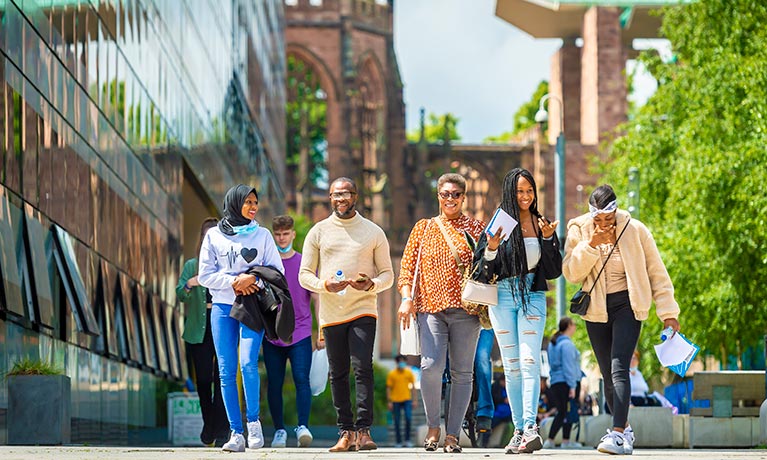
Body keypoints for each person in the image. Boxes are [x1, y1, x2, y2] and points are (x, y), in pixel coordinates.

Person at [562, 184, 680, 456]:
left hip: (628, 305)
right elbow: (571, 272)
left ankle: (616, 434)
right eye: (598, 220)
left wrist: (668, 313)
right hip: (596, 309)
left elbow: (657, 273)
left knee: (619, 367)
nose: (603, 224)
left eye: (608, 218)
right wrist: (591, 245)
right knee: (606, 374)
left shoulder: (635, 229)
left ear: (616, 211)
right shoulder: (579, 229)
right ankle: (624, 430)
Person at [298, 177, 393, 452]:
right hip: (332, 311)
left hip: (363, 307)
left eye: (346, 194)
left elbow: (388, 275)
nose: (341, 199)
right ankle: (346, 432)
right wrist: (323, 285)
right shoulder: (318, 232)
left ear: (355, 196)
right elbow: (305, 275)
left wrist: (371, 284)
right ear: (330, 198)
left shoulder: (373, 232)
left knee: (362, 367)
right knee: (338, 373)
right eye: (335, 195)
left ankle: (364, 431)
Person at [473, 167, 561, 454]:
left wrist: (548, 240)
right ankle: (519, 430)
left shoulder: (540, 223)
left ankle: (531, 426)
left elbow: (553, 271)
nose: (525, 196)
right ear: (510, 192)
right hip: (502, 295)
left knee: (529, 360)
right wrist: (492, 248)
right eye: (520, 191)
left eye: (529, 191)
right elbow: (482, 271)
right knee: (511, 366)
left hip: (532, 295)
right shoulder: (500, 223)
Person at [397, 173, 486, 453]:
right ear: (438, 195)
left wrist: (493, 247)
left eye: (456, 194)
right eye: (445, 194)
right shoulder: (423, 228)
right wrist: (406, 298)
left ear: (463, 197)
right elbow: (407, 268)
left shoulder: (475, 227)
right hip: (430, 308)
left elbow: (488, 267)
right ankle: (433, 425)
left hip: (467, 310)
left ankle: (453, 434)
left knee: (462, 373)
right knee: (431, 366)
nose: (451, 199)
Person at [198, 184, 284, 452]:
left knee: (248, 362)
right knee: (226, 370)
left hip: (252, 306)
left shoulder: (263, 235)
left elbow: (276, 271)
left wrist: (254, 279)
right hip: (223, 308)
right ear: (235, 204)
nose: (253, 207)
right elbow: (204, 275)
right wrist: (235, 281)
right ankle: (236, 433)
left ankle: (254, 422)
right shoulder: (213, 236)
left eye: (255, 202)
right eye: (247, 202)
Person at [263, 215, 318, 448]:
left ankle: (302, 427)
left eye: (286, 233)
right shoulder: (268, 265)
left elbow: (316, 297)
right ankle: (279, 431)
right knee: (274, 383)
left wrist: (322, 330)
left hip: (301, 333)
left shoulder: (305, 263)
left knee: (301, 380)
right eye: (277, 234)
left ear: (293, 234)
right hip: (272, 335)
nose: (281, 238)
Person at [176, 217, 229, 447]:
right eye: (207, 235)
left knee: (222, 379)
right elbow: (180, 294)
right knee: (205, 379)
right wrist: (190, 283)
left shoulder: (227, 265)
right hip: (198, 330)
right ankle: (209, 424)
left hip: (223, 325)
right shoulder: (192, 265)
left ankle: (222, 428)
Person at [544, 317, 584, 449]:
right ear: (568, 326)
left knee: (563, 411)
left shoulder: (553, 343)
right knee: (566, 411)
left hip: (556, 381)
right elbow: (569, 367)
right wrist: (572, 386)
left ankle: (563, 441)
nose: (575, 327)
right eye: (574, 325)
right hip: (567, 382)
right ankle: (554, 440)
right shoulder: (567, 344)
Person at [386, 355, 417, 448]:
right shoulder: (392, 374)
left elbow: (413, 387)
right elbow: (388, 388)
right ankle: (398, 441)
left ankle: (407, 440)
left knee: (408, 419)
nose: (402, 363)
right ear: (397, 362)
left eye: (403, 361)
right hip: (395, 400)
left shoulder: (408, 373)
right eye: (400, 361)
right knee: (397, 421)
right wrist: (389, 401)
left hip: (407, 399)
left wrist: (415, 400)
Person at [474, 328, 495, 443]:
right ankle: (445, 385)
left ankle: (485, 412)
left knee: (482, 358)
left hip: (484, 325)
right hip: (459, 318)